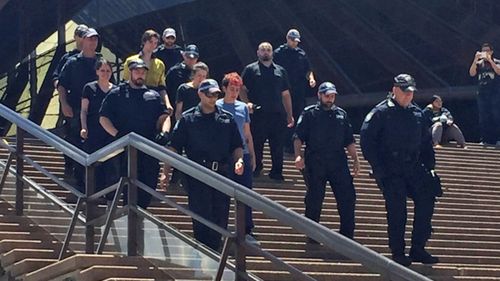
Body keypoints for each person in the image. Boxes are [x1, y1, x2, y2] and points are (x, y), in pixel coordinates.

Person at [360, 74, 439, 266]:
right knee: (397, 210)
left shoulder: (417, 113)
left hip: (412, 166)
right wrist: (378, 168)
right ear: (395, 90)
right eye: (405, 92)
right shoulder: (381, 112)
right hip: (391, 169)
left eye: (411, 92)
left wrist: (430, 167)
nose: (408, 96)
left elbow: (426, 142)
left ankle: (418, 248)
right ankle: (398, 251)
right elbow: (366, 140)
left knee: (427, 198)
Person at [169, 78, 244, 251]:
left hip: (221, 174)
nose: (212, 98)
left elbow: (237, 146)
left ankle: (215, 254)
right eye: (209, 94)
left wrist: (239, 161)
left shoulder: (227, 118)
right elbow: (174, 147)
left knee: (220, 216)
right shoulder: (188, 119)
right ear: (200, 94)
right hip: (197, 174)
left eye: (216, 94)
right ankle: (203, 253)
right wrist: (166, 172)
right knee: (201, 216)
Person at [100, 59, 171, 208]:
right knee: (127, 188)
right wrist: (117, 135)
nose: (140, 74)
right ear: (130, 72)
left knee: (148, 187)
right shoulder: (116, 94)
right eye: (137, 71)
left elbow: (165, 117)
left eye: (143, 72)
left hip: (148, 149)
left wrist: (164, 132)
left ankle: (139, 218)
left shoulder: (153, 95)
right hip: (124, 150)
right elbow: (103, 118)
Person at [293, 82, 358, 241]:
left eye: (332, 96)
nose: (330, 99)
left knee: (347, 197)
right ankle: (312, 235)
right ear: (320, 95)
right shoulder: (309, 113)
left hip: (338, 161)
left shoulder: (341, 114)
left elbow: (349, 139)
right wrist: (298, 155)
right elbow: (298, 137)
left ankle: (347, 236)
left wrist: (355, 159)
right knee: (315, 198)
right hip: (316, 161)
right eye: (327, 96)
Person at [240, 42, 294, 181]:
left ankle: (277, 172)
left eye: (268, 50)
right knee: (257, 143)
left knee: (277, 145)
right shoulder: (250, 69)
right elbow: (242, 88)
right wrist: (247, 104)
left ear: (272, 53)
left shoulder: (280, 71)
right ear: (258, 52)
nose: (266, 52)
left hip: (277, 114)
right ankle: (256, 168)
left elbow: (286, 94)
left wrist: (290, 114)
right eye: (263, 50)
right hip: (258, 114)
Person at [57, 27, 101, 189]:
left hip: (96, 112)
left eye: (95, 39)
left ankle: (91, 180)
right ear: (83, 40)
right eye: (90, 39)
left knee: (93, 144)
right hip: (75, 108)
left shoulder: (101, 63)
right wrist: (64, 104)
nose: (92, 42)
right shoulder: (72, 62)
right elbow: (61, 85)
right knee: (75, 141)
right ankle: (77, 177)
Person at [217, 72, 257, 240]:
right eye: (231, 89)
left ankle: (246, 229)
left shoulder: (242, 107)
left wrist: (253, 155)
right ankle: (221, 227)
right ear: (224, 88)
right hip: (223, 154)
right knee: (222, 192)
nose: (234, 93)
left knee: (245, 192)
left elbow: (247, 133)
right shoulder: (217, 105)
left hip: (243, 154)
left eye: (237, 89)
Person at [274, 28, 316, 153]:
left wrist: (311, 79)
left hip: (298, 91)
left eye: (296, 41)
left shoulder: (301, 54)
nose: (295, 43)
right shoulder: (278, 53)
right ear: (287, 38)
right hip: (283, 90)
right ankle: (282, 143)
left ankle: (293, 144)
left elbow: (308, 70)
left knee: (297, 115)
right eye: (292, 40)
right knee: (283, 115)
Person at [80, 58, 118, 196]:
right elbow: (84, 110)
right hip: (94, 130)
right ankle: (92, 194)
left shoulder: (116, 90)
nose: (105, 73)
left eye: (108, 71)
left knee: (111, 164)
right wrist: (84, 127)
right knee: (94, 163)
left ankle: (109, 196)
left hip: (111, 132)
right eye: (102, 70)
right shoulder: (89, 88)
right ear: (97, 71)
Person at [123, 29, 173, 112]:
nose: (153, 45)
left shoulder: (160, 64)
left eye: (155, 43)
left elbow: (161, 88)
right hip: (134, 99)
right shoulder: (130, 61)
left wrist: (167, 104)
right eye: (150, 42)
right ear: (144, 42)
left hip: (152, 100)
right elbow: (125, 83)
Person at [469, 43, 500, 145]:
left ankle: (498, 139)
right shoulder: (479, 64)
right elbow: (472, 73)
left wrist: (490, 60)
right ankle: (485, 139)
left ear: (491, 52)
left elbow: (498, 71)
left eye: (487, 50)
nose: (485, 53)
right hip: (482, 93)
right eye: (483, 51)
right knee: (483, 117)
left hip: (495, 93)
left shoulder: (496, 62)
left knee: (496, 116)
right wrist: (475, 60)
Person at [166, 44, 200, 119]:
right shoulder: (174, 71)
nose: (191, 60)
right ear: (184, 55)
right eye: (188, 57)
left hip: (195, 111)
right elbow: (166, 89)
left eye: (194, 57)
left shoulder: (200, 73)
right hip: (176, 110)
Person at [52, 24, 88, 88]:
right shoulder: (67, 57)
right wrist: (60, 88)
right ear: (75, 36)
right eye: (80, 34)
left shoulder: (94, 57)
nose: (82, 38)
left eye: (85, 35)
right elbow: (55, 76)